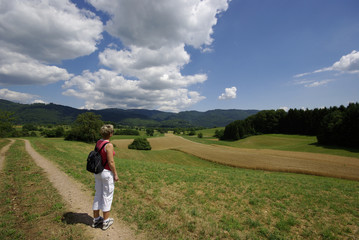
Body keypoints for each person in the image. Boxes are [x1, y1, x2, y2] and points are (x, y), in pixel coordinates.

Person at [92, 124, 119, 230]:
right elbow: (111, 161)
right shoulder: (109, 145)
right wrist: (115, 174)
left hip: (97, 172)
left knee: (98, 194)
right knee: (107, 196)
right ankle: (106, 221)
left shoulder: (98, 142)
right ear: (111, 134)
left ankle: (96, 219)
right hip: (106, 173)